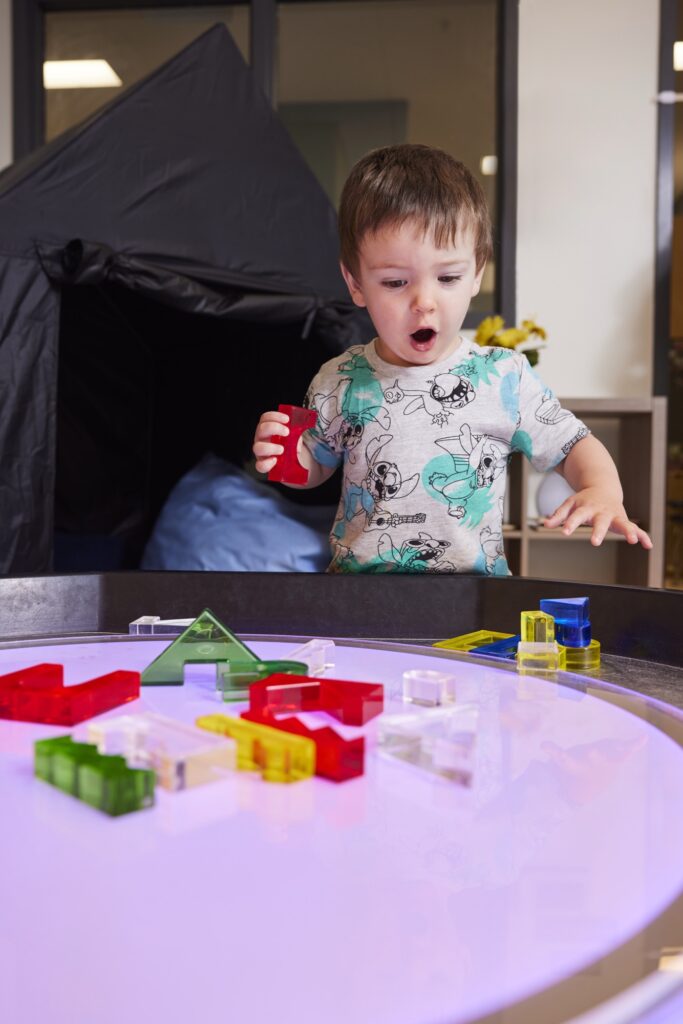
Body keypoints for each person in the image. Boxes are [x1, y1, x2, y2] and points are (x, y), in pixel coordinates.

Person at [252, 144, 652, 573]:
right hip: (359, 594)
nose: (424, 302)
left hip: (472, 597)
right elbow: (316, 466)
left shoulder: (503, 376)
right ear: (355, 283)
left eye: (448, 277)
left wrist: (601, 489)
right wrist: (286, 457)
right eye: (395, 281)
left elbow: (573, 445)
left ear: (477, 272)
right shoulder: (340, 379)